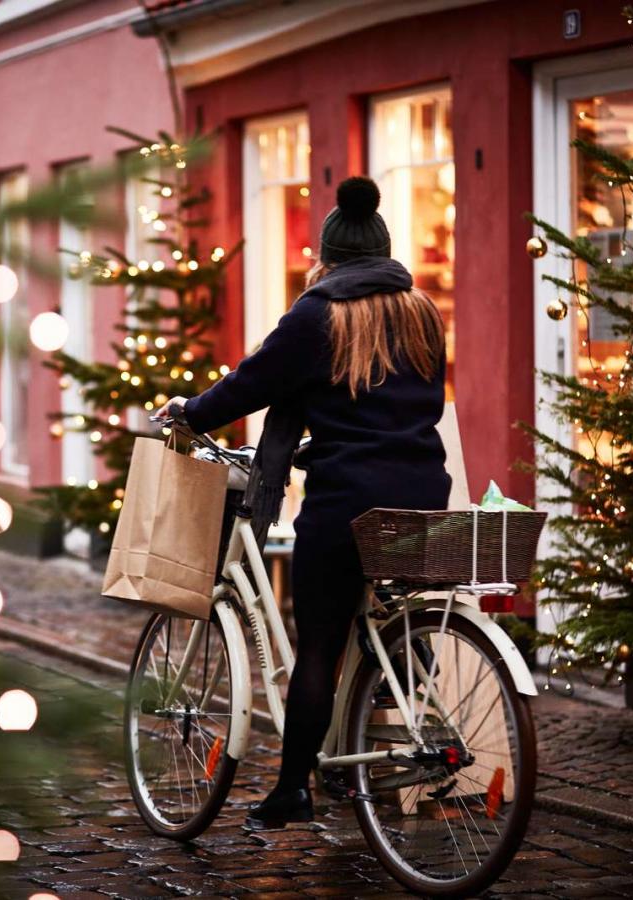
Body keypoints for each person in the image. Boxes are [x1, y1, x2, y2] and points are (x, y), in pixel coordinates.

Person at [156, 176, 450, 830]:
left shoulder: (319, 313)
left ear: (329, 254)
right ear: (383, 250)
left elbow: (252, 383)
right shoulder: (423, 309)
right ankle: (361, 758)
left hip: (347, 498)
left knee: (317, 644)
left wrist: (191, 411)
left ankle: (293, 788)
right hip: (425, 492)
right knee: (376, 620)